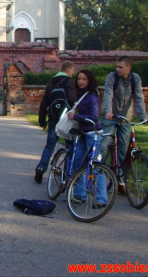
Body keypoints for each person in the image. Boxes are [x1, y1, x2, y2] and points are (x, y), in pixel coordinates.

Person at [100, 56, 148, 193]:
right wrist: (108, 111)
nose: (117, 69)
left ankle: (121, 179)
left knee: (123, 148)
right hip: (111, 117)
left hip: (125, 118)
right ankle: (97, 173)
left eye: (120, 67)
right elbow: (108, 95)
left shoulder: (135, 79)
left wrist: (143, 116)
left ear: (129, 67)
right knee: (103, 145)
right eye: (116, 66)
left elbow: (139, 97)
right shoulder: (112, 77)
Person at [67, 69, 107, 207]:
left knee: (95, 166)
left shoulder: (92, 95)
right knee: (77, 163)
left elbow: (94, 116)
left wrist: (76, 116)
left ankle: (102, 199)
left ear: (89, 80)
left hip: (93, 134)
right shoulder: (81, 94)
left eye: (84, 79)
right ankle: (79, 195)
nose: (81, 82)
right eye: (79, 79)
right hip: (83, 133)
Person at [34, 61, 76, 183]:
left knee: (49, 146)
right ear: (68, 71)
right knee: (70, 147)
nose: (73, 74)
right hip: (67, 120)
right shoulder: (69, 82)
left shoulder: (51, 82)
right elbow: (72, 100)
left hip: (53, 119)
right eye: (72, 71)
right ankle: (67, 174)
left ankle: (41, 168)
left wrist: (42, 121)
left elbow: (44, 103)